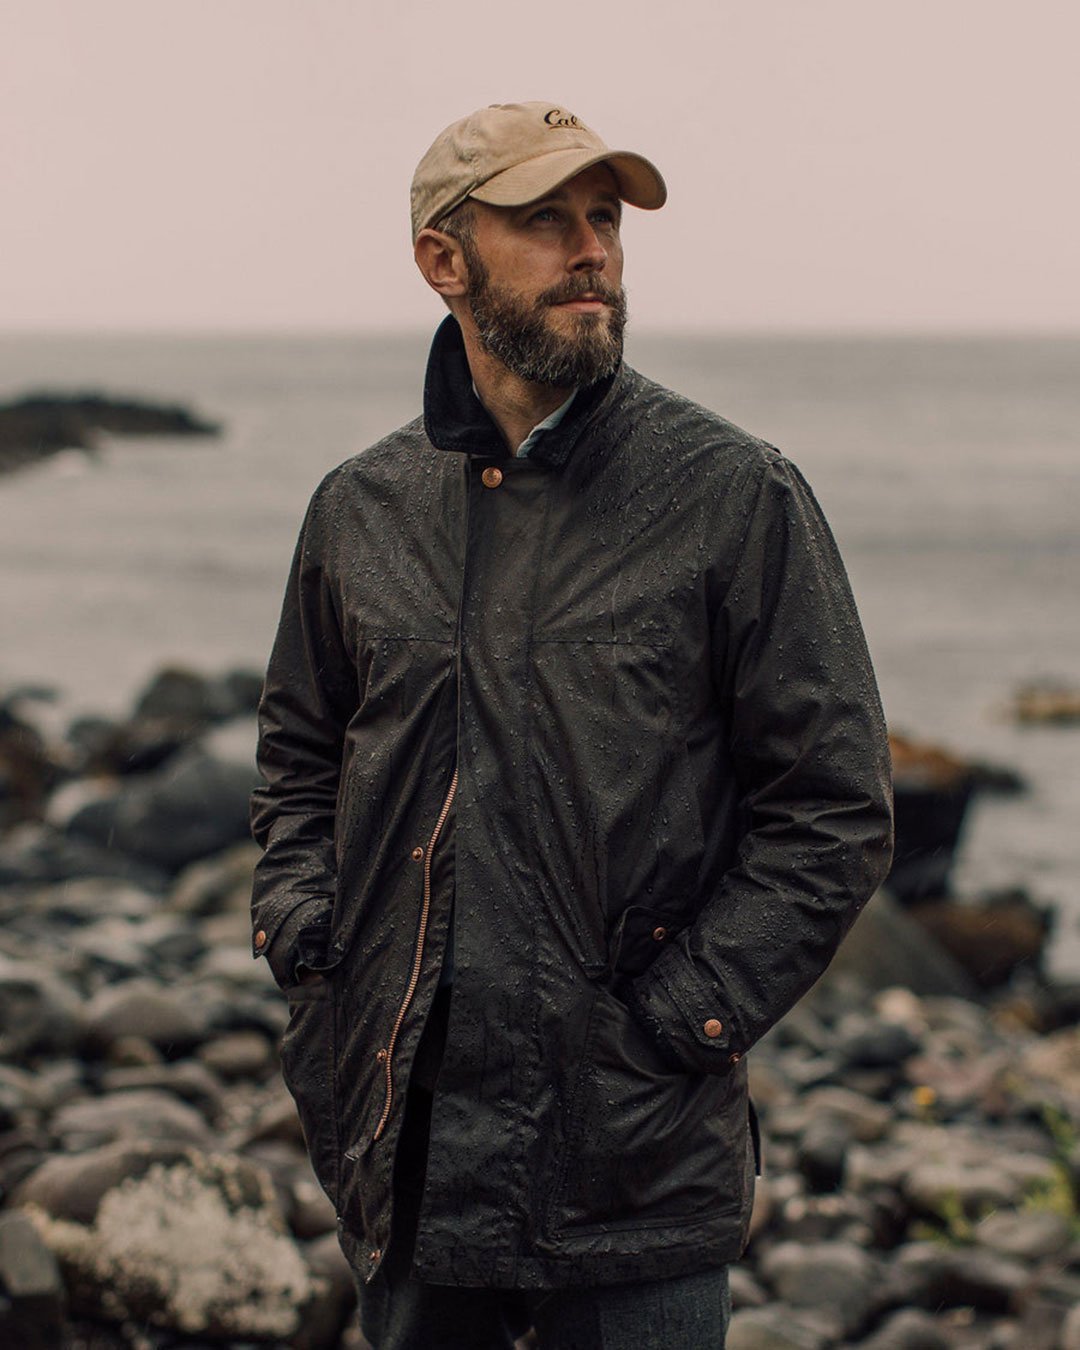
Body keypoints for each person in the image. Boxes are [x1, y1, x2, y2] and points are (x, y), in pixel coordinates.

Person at [250, 101, 894, 1350]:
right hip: (408, 1143)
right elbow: (299, 751)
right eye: (543, 221)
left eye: (602, 219)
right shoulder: (361, 509)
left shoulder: (729, 493)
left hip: (633, 1157)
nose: (589, 249)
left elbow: (833, 805)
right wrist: (305, 930)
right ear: (445, 260)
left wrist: (679, 1019)